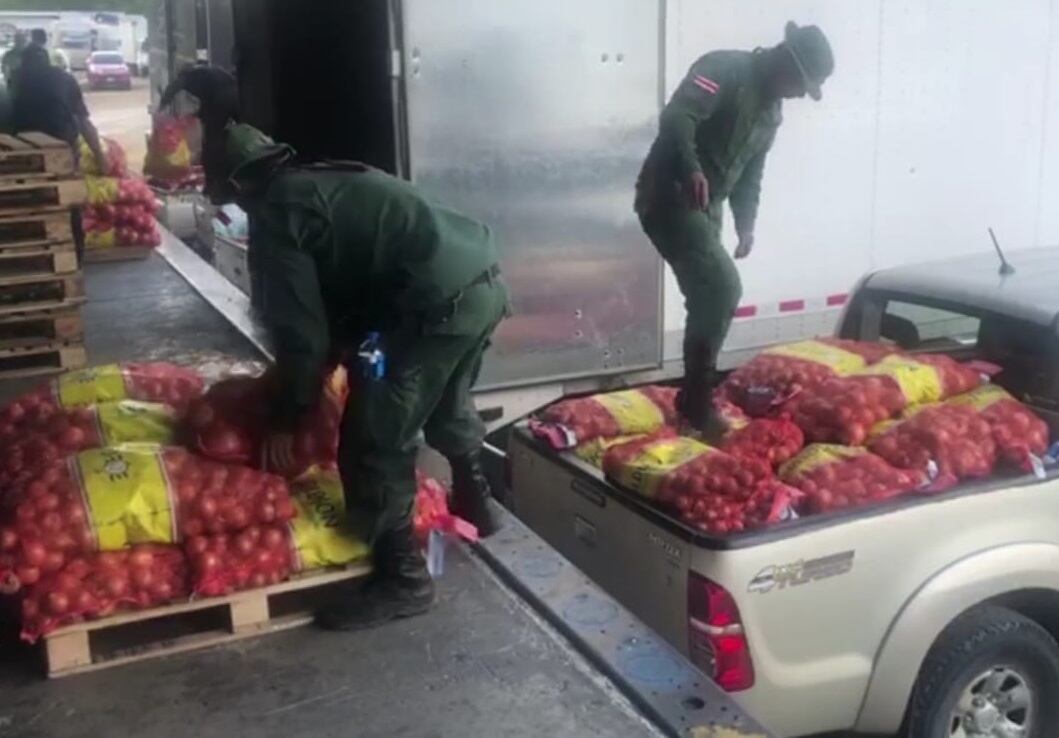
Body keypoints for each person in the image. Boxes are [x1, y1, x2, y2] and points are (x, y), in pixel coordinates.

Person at [158, 67, 508, 629]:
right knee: (444, 397)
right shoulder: (326, 180)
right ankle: (476, 501)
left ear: (237, 185)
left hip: (432, 305)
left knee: (374, 438)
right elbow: (350, 290)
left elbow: (301, 335)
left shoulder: (279, 215)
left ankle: (404, 581)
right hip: (481, 283)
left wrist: (288, 415)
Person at [636, 22, 834, 435]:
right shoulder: (725, 69)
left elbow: (751, 172)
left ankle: (693, 396)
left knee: (709, 295)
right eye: (801, 85)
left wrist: (747, 224)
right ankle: (696, 400)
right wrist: (690, 168)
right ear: (786, 63)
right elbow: (678, 116)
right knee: (723, 288)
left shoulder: (771, 113)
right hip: (669, 193)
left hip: (708, 208)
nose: (799, 95)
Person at [12, 45, 105, 261]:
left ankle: (37, 251)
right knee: (69, 201)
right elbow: (83, 122)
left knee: (34, 202)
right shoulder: (64, 78)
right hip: (61, 150)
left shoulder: (16, 80)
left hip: (25, 152)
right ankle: (75, 256)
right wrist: (100, 156)